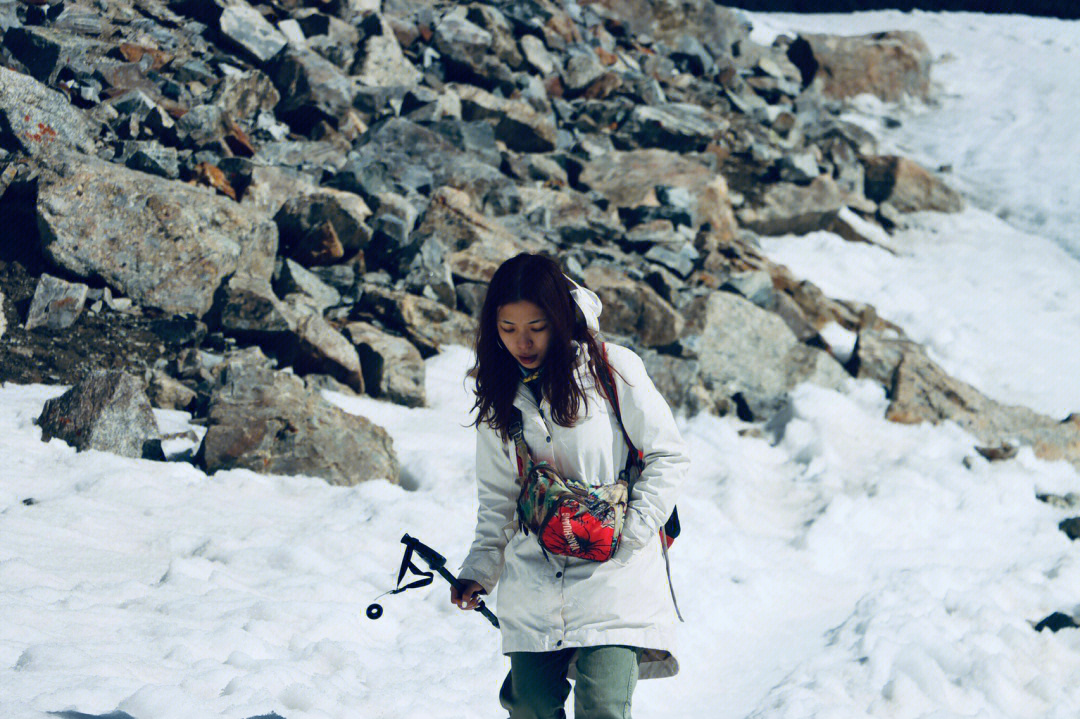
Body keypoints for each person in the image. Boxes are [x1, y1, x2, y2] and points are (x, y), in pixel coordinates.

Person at [452, 252, 688, 719]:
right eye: (508, 328)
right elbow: (499, 498)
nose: (523, 342)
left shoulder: (611, 369)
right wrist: (479, 568)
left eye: (537, 326)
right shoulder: (499, 394)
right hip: (534, 577)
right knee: (533, 706)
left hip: (613, 578)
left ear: (559, 317)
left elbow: (668, 454)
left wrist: (633, 532)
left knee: (602, 708)